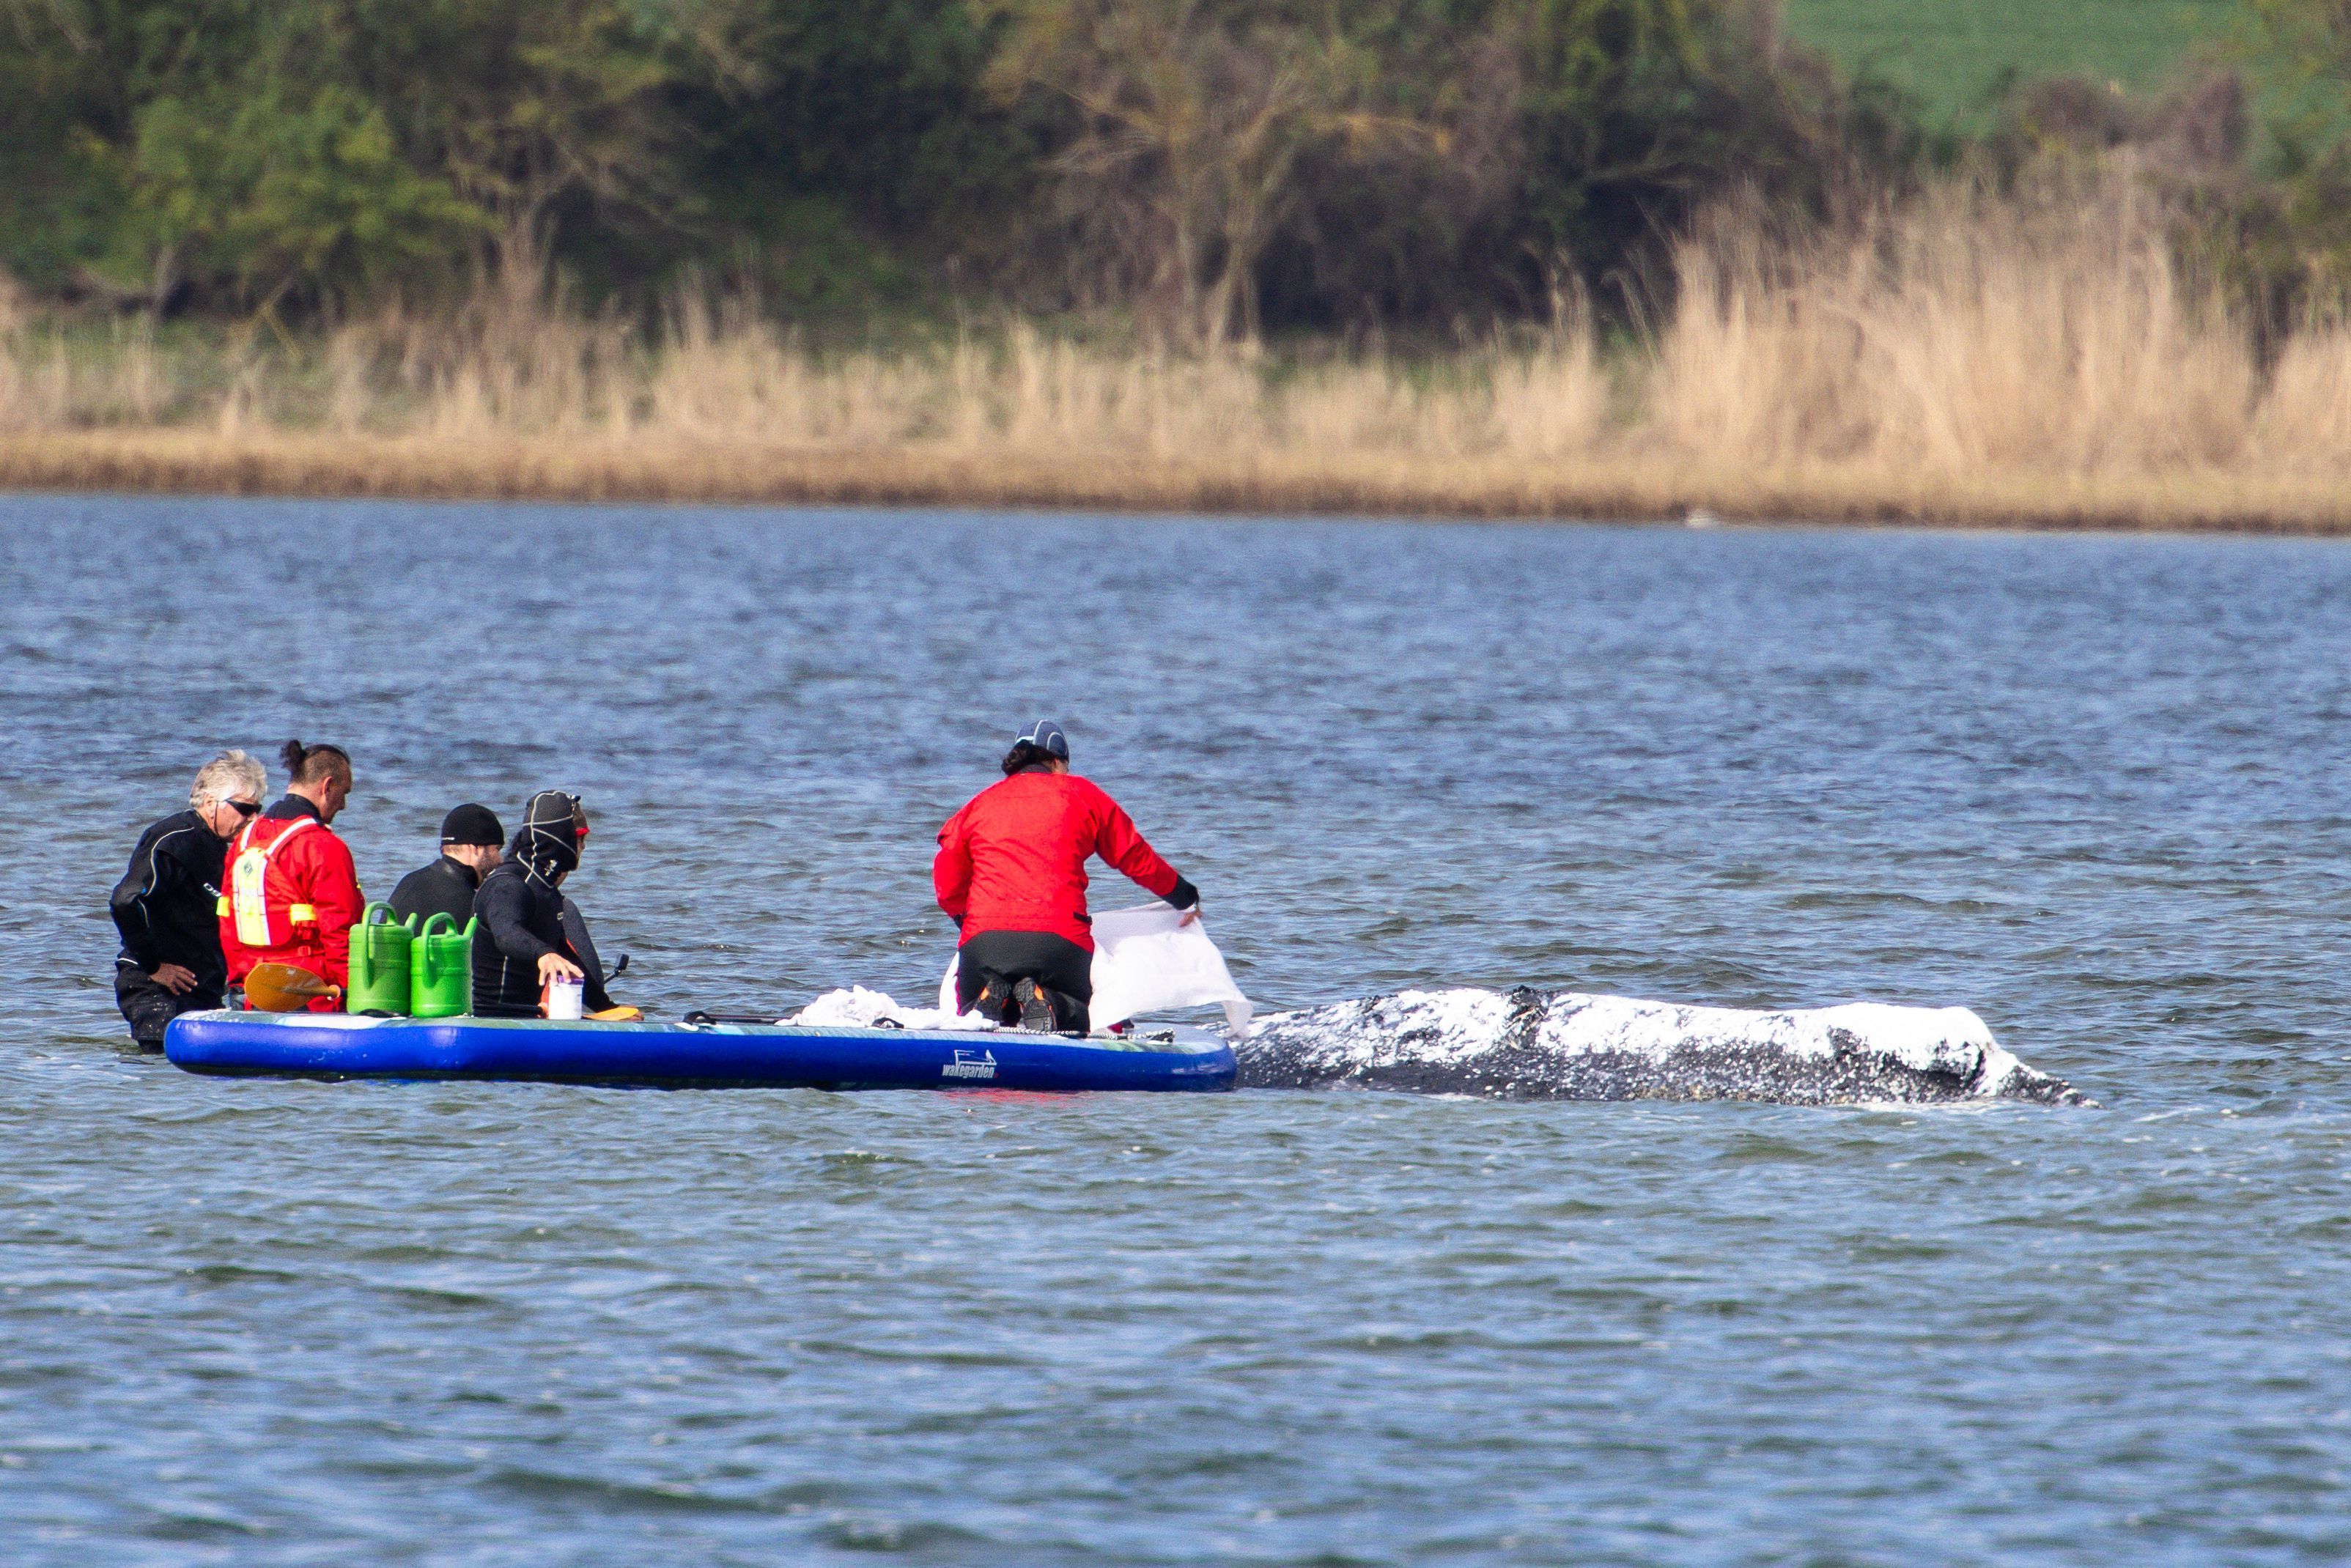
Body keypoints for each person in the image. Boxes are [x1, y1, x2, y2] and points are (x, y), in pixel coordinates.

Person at [934, 720, 1200, 1034]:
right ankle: (1048, 1001)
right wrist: (1185, 897)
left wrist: (964, 919)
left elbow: (947, 877)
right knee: (1084, 1016)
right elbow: (1135, 857)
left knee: (972, 1018)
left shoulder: (978, 804)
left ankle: (992, 996)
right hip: (1058, 943)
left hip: (985, 943)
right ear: (1058, 763)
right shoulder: (1082, 794)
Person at [110, 750, 268, 1046]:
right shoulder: (173, 839)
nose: (254, 818)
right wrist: (154, 966)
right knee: (164, 1069)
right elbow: (125, 900)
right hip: (155, 985)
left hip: (202, 989)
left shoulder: (233, 850)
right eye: (244, 809)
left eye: (258, 809)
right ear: (211, 803)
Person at [219, 740, 366, 1010]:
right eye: (344, 793)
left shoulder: (243, 841)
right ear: (327, 787)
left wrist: (240, 983)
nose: (343, 805)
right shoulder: (324, 847)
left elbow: (228, 921)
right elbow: (340, 931)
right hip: (309, 996)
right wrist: (349, 993)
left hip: (251, 990)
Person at [472, 791, 617, 1018]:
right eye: (580, 839)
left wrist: (609, 1010)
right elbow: (506, 933)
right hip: (495, 1021)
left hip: (531, 1018)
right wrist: (544, 953)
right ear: (563, 838)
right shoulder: (508, 884)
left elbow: (568, 961)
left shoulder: (546, 891)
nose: (584, 848)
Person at [388, 805, 505, 928]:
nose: (500, 860)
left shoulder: (408, 882)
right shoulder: (471, 906)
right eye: (497, 849)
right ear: (475, 849)